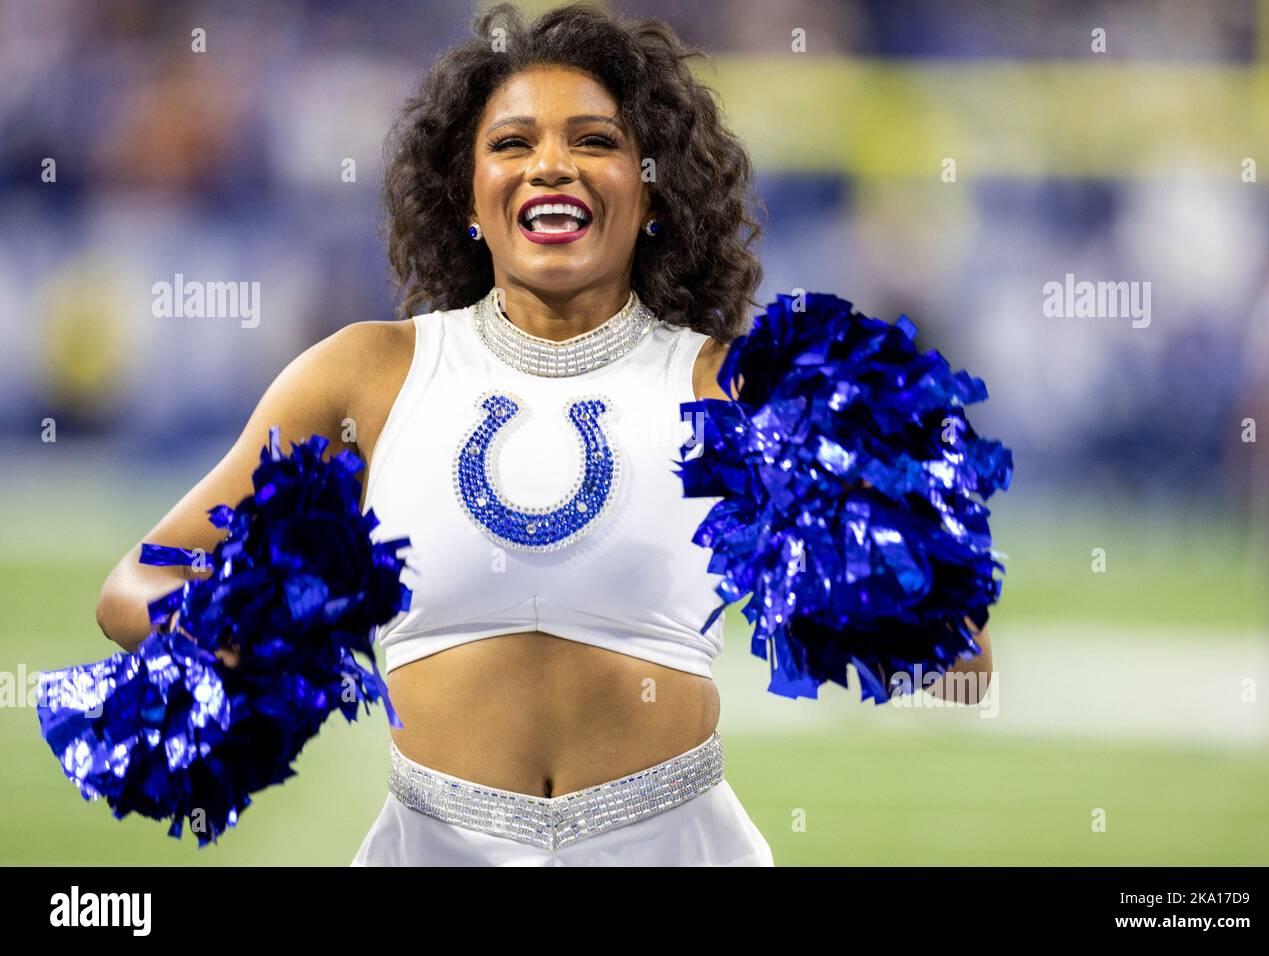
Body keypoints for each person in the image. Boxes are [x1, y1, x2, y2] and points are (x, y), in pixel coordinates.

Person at [94, 2, 775, 866]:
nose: (552, 167)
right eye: (513, 144)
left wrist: (897, 574)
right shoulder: (366, 375)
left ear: (653, 192)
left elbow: (957, 655)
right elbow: (132, 588)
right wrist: (247, 642)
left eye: (596, 142)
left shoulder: (732, 386)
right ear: (468, 197)